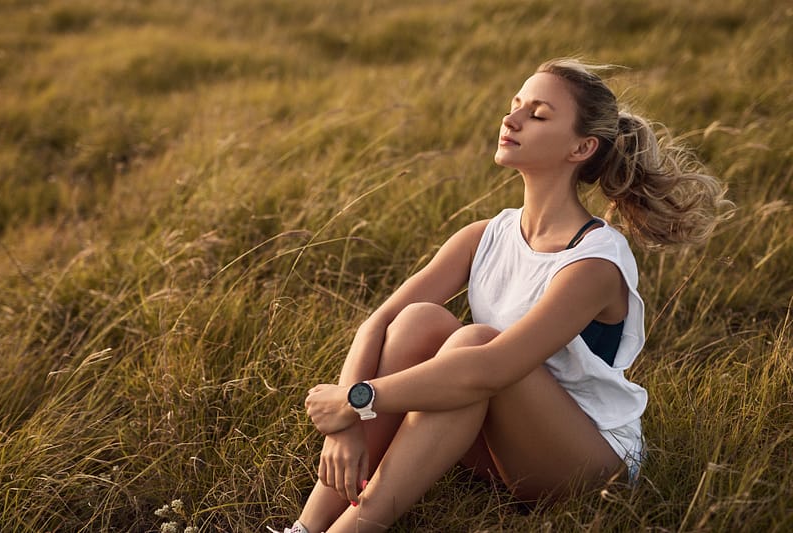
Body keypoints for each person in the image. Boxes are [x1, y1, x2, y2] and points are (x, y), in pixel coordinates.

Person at [270, 58, 730, 533]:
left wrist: (358, 398)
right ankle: (304, 528)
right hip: (495, 440)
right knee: (418, 322)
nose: (512, 120)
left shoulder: (594, 262)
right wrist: (345, 423)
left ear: (582, 147)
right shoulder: (485, 235)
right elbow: (380, 323)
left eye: (539, 114)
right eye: (516, 105)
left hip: (585, 462)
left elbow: (489, 370)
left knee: (474, 346)